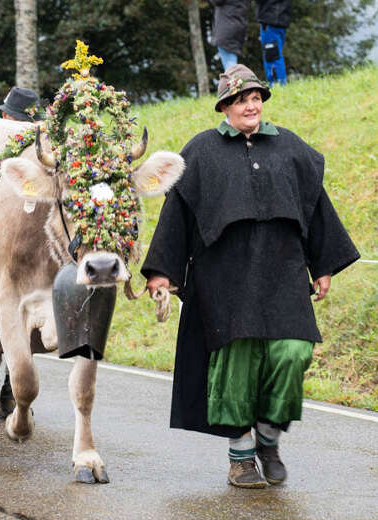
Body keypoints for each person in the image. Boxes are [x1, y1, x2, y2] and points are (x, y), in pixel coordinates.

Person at [142, 64, 360, 488]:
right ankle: (241, 459)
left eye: (257, 97)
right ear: (225, 106)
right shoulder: (202, 152)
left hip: (284, 273)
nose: (252, 104)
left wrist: (324, 265)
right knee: (235, 367)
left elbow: (317, 207)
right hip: (224, 279)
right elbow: (177, 217)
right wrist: (162, 272)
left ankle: (268, 439)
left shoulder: (290, 149)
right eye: (242, 98)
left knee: (293, 353)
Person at [0, 86, 45, 419]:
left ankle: (9, 391)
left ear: (7, 117)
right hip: (0, 246)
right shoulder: (2, 153)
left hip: (33, 248)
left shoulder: (39, 152)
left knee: (25, 324)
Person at [212, 0, 291, 86]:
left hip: (270, 19)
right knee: (276, 54)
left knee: (272, 55)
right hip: (281, 18)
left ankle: (277, 84)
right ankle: (280, 83)